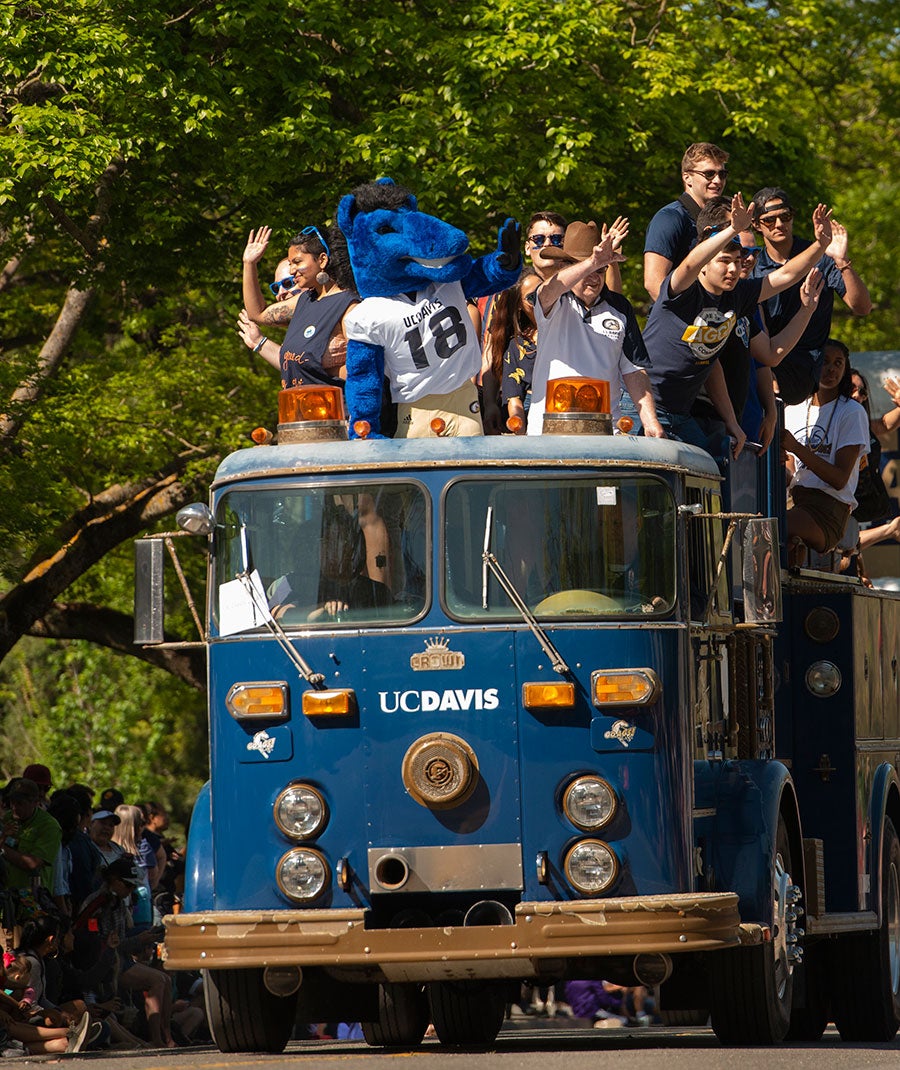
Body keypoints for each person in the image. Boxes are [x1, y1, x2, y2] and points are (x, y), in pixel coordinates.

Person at [630, 194, 836, 457]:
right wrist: (732, 229)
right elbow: (692, 262)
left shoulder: (737, 296)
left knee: (712, 477)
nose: (733, 269)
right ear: (705, 264)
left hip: (680, 414)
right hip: (640, 405)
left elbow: (785, 275)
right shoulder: (682, 290)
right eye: (725, 261)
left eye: (738, 261)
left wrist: (820, 245)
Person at [688, 197, 825, 453]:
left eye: (752, 253)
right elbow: (711, 366)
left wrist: (771, 410)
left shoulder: (743, 301)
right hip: (695, 419)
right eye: (738, 251)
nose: (746, 260)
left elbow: (770, 356)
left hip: (741, 426)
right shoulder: (691, 294)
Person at [525, 220, 664, 438]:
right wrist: (592, 262)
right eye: (587, 269)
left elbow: (634, 369)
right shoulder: (554, 299)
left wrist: (651, 422)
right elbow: (548, 290)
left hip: (607, 433)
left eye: (601, 271)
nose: (593, 277)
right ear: (564, 268)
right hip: (549, 432)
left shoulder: (619, 307)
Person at [749, 187, 872, 404]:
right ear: (756, 225)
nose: (779, 224)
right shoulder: (752, 266)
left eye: (785, 216)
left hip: (804, 373)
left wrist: (842, 262)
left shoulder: (821, 257)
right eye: (769, 220)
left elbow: (861, 307)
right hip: (765, 367)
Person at [782, 339, 869, 565]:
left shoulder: (852, 411)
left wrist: (796, 448)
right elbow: (792, 472)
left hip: (828, 510)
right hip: (795, 500)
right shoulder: (793, 409)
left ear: (845, 368)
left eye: (838, 363)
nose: (831, 369)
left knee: (774, 527)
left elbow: (839, 479)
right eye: (825, 361)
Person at [241, 224, 358, 391]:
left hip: (339, 412)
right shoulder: (303, 300)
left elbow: (363, 368)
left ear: (322, 260)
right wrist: (249, 264)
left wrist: (321, 369)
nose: (292, 270)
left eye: (297, 262)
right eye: (290, 263)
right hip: (301, 412)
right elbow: (257, 314)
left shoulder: (349, 305)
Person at [643, 141, 730, 301]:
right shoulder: (669, 218)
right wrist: (689, 320)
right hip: (680, 323)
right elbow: (653, 283)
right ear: (687, 178)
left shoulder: (722, 217)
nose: (717, 180)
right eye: (709, 174)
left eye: (722, 174)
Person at [481, 270, 540, 434]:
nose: (540, 301)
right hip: (532, 409)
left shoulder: (567, 329)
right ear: (520, 306)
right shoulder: (517, 346)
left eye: (543, 292)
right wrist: (520, 428)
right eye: (531, 298)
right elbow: (514, 400)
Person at [0, 777, 61, 899]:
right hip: (7, 895)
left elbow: (33, 863)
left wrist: (2, 848)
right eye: (12, 802)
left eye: (20, 803)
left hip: (33, 899)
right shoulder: (8, 818)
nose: (14, 807)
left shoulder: (49, 826)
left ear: (35, 802)